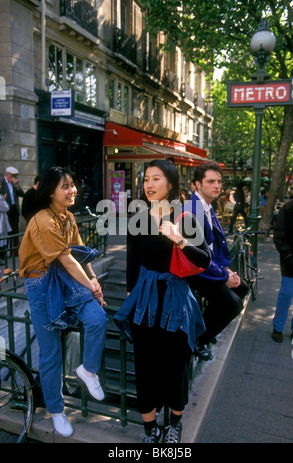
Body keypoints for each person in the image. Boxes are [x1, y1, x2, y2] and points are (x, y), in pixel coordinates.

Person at [113, 160, 211, 443]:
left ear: (170, 183)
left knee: (175, 367)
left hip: (175, 302)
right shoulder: (137, 218)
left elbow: (204, 259)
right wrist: (131, 296)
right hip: (144, 303)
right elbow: (132, 262)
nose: (150, 184)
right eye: (146, 179)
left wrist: (180, 240)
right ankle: (150, 428)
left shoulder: (184, 216)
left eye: (156, 179)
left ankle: (174, 426)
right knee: (145, 368)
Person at [19, 166, 108, 438]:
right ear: (50, 192)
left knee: (98, 319)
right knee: (51, 354)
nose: (72, 191)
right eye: (65, 186)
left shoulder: (67, 217)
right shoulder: (43, 221)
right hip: (41, 284)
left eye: (72, 185)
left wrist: (94, 280)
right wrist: (90, 284)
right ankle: (57, 411)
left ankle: (88, 370)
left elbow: (78, 255)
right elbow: (67, 260)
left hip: (65, 277)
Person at [184, 162, 249, 359]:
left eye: (219, 181)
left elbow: (215, 247)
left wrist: (227, 271)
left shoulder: (207, 206)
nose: (217, 186)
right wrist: (223, 275)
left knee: (242, 288)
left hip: (209, 266)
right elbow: (195, 255)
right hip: (195, 271)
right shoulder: (192, 209)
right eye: (211, 182)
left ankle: (205, 330)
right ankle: (197, 339)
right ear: (197, 185)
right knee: (233, 304)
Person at [271, 194, 293, 343]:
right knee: (286, 294)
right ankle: (278, 327)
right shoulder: (288, 208)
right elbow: (279, 236)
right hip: (290, 260)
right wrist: (288, 256)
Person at [0, 167, 24, 247]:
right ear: (8, 175)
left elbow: (21, 194)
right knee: (5, 231)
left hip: (14, 209)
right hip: (5, 210)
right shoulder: (1, 182)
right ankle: (5, 251)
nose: (15, 178)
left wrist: (17, 186)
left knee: (15, 230)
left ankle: (15, 250)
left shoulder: (14, 183)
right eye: (13, 176)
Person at [0, 192, 12, 264]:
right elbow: (6, 208)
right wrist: (4, 200)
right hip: (1, 222)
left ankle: (2, 257)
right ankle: (1, 258)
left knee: (3, 239)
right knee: (2, 240)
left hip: (2, 222)